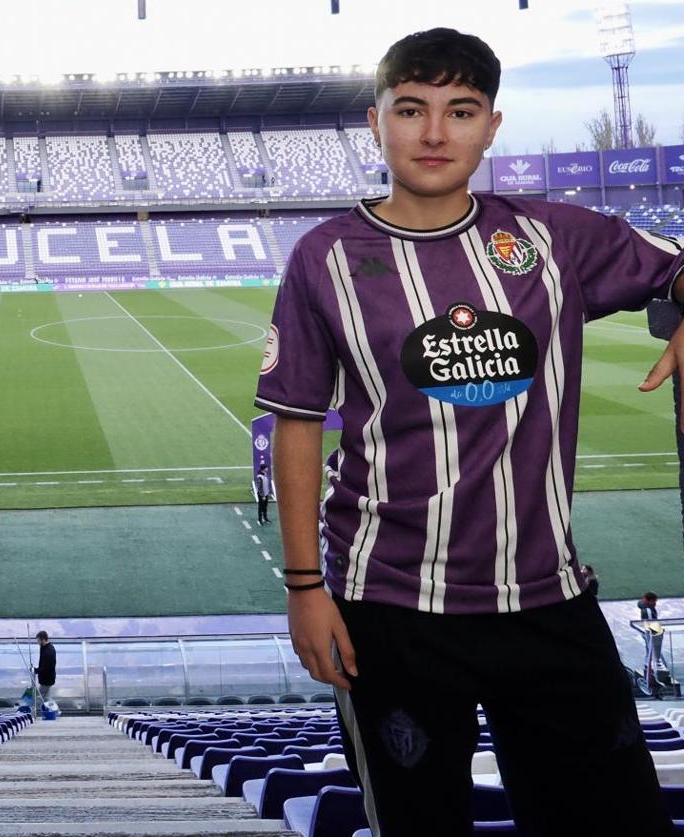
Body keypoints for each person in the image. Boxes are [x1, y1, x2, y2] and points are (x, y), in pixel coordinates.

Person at [254, 27, 680, 836]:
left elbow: (674, 265)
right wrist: (305, 588)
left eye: (461, 110)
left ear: (491, 125)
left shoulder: (554, 237)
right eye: (411, 109)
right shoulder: (325, 258)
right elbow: (298, 422)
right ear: (376, 124)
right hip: (388, 605)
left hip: (547, 598)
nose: (435, 132)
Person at [640, 592, 668, 677]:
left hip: (650, 633)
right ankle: (653, 669)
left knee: (650, 651)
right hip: (651, 633)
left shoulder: (648, 607)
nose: (655, 604)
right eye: (654, 601)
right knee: (652, 652)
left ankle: (649, 668)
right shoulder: (648, 610)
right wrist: (658, 632)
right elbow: (651, 622)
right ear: (650, 601)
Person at [33, 630, 57, 705]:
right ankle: (54, 711)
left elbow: (45, 668)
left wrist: (36, 670)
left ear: (43, 640)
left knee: (40, 696)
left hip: (47, 679)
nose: (37, 643)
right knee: (46, 697)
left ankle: (52, 710)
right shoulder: (44, 647)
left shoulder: (49, 652)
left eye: (38, 641)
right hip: (47, 678)